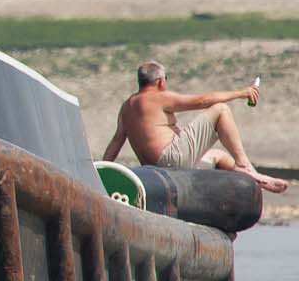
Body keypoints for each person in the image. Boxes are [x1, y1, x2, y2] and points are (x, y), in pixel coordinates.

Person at [104, 62, 287, 193]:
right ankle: (245, 166)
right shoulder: (158, 97)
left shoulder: (126, 107)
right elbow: (202, 101)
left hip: (154, 171)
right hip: (171, 161)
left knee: (218, 156)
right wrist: (242, 93)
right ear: (160, 81)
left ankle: (255, 180)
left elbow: (115, 143)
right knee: (221, 110)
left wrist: (102, 172)